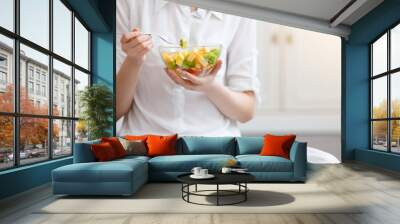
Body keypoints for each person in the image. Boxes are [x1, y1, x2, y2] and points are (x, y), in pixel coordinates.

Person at [116, 0, 259, 136]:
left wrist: (210, 87)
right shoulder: (129, 3)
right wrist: (134, 59)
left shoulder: (240, 9)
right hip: (144, 144)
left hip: (215, 146)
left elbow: (246, 111)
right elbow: (113, 111)